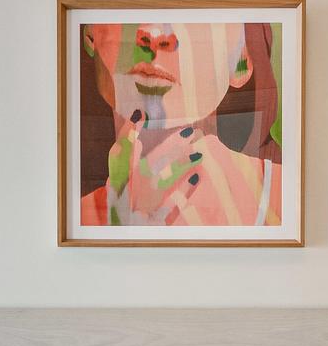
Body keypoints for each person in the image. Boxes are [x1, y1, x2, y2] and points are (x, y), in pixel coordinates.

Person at [78, 21, 281, 227]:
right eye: (128, 7)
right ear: (90, 35)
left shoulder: (287, 200)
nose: (155, 34)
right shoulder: (71, 220)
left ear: (241, 61)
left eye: (197, 18)